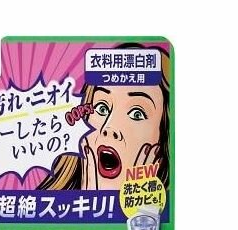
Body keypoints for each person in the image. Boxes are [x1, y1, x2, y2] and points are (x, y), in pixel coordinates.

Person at [38, 44, 170, 191]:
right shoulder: (44, 200)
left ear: (163, 140)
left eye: (137, 114)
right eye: (102, 108)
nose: (109, 128)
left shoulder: (168, 202)